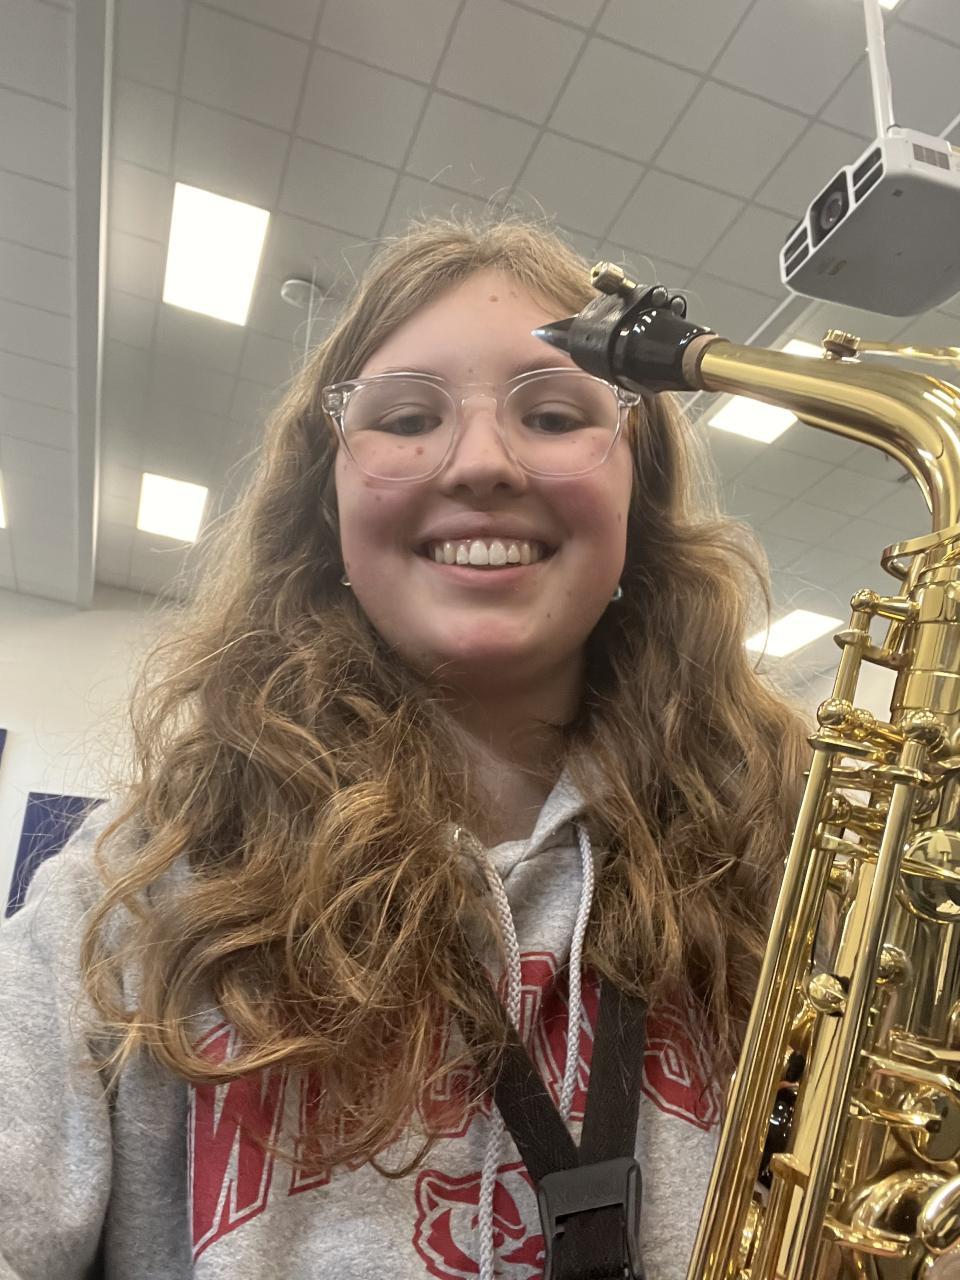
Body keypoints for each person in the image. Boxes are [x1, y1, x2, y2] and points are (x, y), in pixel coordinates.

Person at [0, 215, 808, 1280]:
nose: (481, 462)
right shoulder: (131, 893)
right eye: (408, 417)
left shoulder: (786, 870)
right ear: (326, 504)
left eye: (555, 413)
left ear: (638, 502)